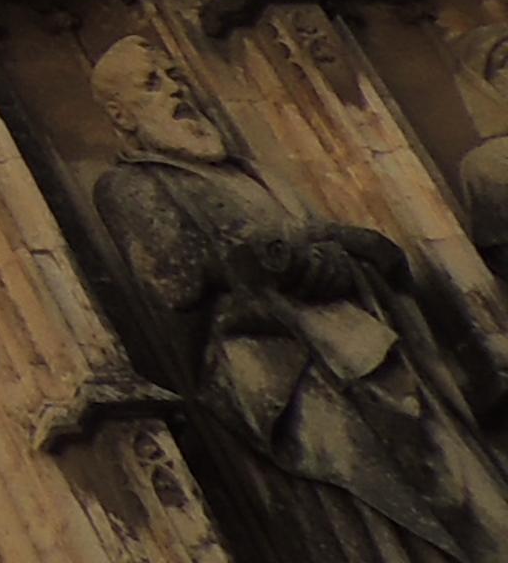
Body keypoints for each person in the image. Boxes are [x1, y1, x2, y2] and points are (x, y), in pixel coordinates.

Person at [95, 36, 508, 562]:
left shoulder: (251, 172)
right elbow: (178, 285)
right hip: (286, 374)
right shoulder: (130, 185)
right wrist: (280, 263)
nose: (176, 91)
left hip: (366, 345)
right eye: (153, 84)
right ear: (121, 116)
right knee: (381, 514)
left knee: (472, 495)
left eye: (176, 77)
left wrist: (344, 253)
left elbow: (325, 238)